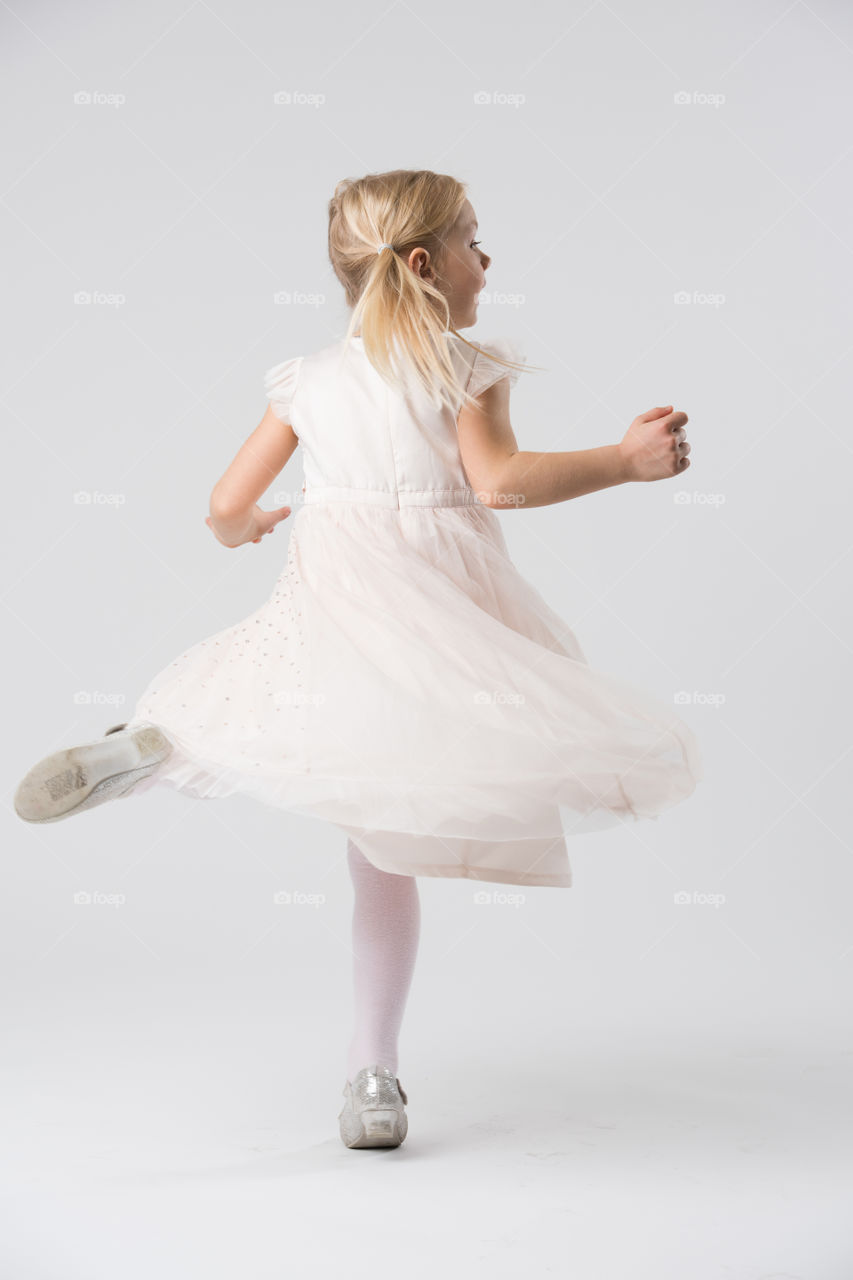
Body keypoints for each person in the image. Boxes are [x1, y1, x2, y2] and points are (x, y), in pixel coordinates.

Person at [14, 168, 701, 1150]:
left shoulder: (307, 379)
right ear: (424, 265)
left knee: (263, 703)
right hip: (434, 619)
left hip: (333, 600)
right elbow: (500, 483)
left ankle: (156, 749)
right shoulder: (465, 367)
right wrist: (621, 461)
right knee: (396, 830)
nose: (488, 258)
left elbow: (220, 502)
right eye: (473, 241)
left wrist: (243, 525)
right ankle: (370, 1079)